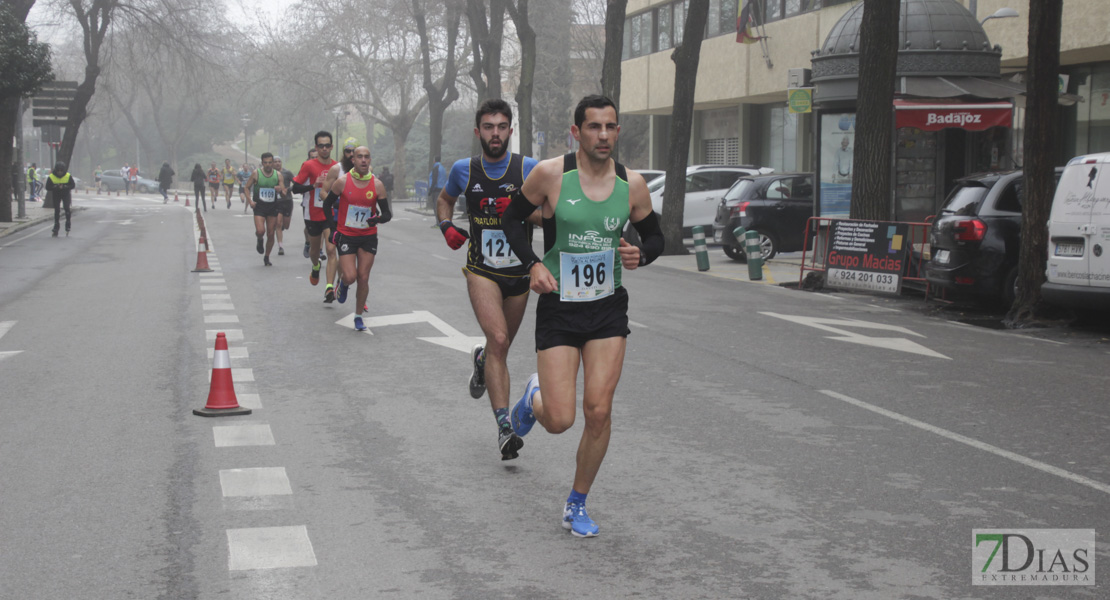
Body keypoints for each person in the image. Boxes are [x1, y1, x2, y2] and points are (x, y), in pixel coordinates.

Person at [500, 95, 664, 538]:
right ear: (577, 132)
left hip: (608, 307)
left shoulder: (632, 184)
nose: (604, 135)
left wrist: (640, 254)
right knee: (560, 419)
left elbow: (655, 236)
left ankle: (577, 503)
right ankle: (532, 400)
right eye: (594, 127)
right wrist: (532, 264)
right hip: (558, 305)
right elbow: (511, 220)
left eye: (611, 127)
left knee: (598, 410)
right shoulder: (551, 175)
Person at [435, 98, 540, 461]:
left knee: (501, 346)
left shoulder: (529, 168)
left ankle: (481, 362)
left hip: (519, 273)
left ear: (510, 130)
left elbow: (548, 213)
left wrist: (525, 214)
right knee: (497, 337)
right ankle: (504, 428)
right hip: (482, 269)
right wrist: (446, 225)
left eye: (501, 127)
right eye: (488, 127)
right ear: (477, 131)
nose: (495, 134)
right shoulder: (464, 170)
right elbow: (444, 200)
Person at [324, 146, 391, 331]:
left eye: (366, 157)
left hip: (368, 237)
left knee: (363, 277)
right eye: (359, 157)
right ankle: (343, 284)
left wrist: (376, 219)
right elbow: (327, 204)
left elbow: (387, 214)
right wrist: (333, 229)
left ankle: (358, 315)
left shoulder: (377, 185)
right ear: (352, 160)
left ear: (370, 160)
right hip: (346, 235)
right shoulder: (342, 182)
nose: (363, 160)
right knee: (351, 276)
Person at [290, 131, 339, 295]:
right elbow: (295, 188)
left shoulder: (337, 167)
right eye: (321, 146)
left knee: (331, 250)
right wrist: (313, 185)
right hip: (313, 214)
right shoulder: (309, 166)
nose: (324, 149)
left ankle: (329, 288)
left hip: (330, 214)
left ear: (331, 147)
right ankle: (316, 265)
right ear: (316, 147)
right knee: (314, 251)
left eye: (327, 145)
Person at [318, 137, 359, 301]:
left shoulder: (364, 170)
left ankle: (340, 283)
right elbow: (323, 191)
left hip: (350, 220)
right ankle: (329, 288)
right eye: (347, 151)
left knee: (346, 254)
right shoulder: (337, 169)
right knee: (329, 249)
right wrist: (331, 202)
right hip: (334, 215)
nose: (350, 155)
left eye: (353, 152)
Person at [244, 152, 286, 266]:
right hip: (259, 207)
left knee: (271, 234)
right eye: (265, 163)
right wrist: (250, 201)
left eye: (270, 162)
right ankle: (259, 239)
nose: (268, 165)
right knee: (260, 231)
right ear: (262, 163)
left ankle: (267, 256)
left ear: (273, 163)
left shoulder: (278, 175)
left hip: (272, 207)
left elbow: (284, 193)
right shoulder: (256, 173)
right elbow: (246, 188)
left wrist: (280, 190)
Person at [45, 161, 77, 237]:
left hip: (65, 194)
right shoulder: (52, 176)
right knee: (57, 210)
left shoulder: (68, 176)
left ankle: (68, 223)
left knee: (66, 208)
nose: (60, 172)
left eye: (61, 171)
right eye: (58, 170)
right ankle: (56, 226)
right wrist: (55, 187)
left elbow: (72, 185)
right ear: (56, 170)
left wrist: (65, 186)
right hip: (56, 194)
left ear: (64, 170)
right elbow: (47, 187)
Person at [274, 156, 295, 255]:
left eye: (279, 161)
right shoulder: (271, 174)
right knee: (278, 223)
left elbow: (296, 183)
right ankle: (280, 246)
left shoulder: (287, 173)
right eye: (275, 162)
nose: (277, 163)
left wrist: (288, 189)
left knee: (286, 226)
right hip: (276, 202)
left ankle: (282, 226)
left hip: (287, 200)